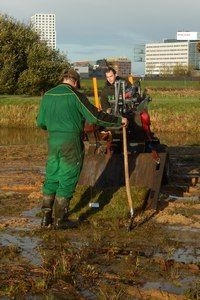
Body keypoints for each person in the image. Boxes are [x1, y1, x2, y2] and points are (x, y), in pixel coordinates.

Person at [37, 68, 128, 230]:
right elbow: (95, 117)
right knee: (68, 176)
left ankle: (45, 217)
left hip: (53, 141)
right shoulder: (75, 95)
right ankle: (60, 220)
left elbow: (41, 122)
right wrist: (118, 120)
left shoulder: (48, 95)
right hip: (70, 140)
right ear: (76, 82)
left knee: (52, 174)